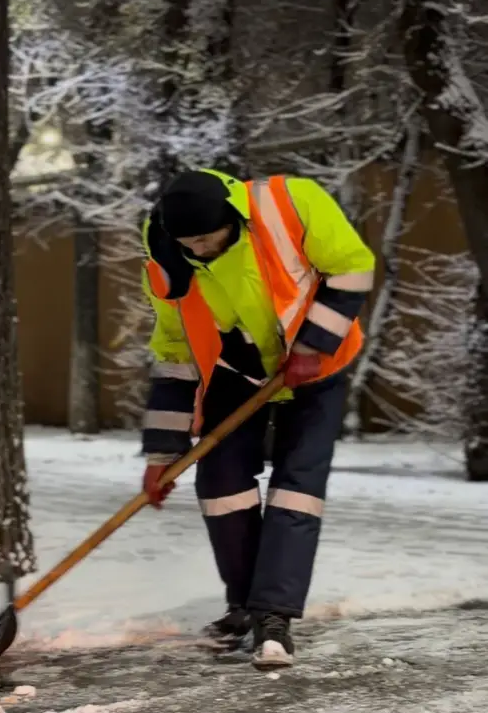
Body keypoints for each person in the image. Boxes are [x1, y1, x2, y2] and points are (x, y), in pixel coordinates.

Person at [140, 169, 375, 670]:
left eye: (206, 239)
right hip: (235, 368)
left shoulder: (291, 203)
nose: (197, 250)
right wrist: (162, 452)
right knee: (221, 485)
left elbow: (353, 268)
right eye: (188, 242)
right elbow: (175, 348)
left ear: (235, 221)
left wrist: (312, 346)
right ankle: (245, 606)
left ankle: (275, 617)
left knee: (296, 487)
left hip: (317, 365)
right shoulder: (164, 248)